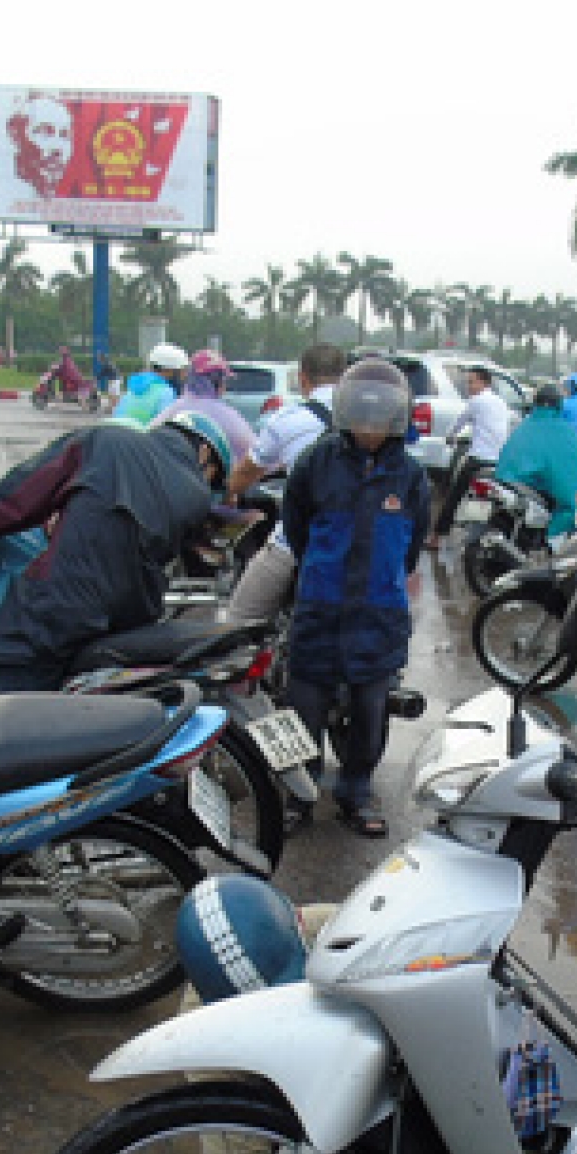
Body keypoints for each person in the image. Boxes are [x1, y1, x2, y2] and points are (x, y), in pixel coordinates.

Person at [0, 413, 227, 693]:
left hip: (58, 614)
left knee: (4, 725)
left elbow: (14, 499)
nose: (206, 484)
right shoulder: (197, 496)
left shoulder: (103, 441)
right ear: (203, 455)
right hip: (130, 624)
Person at [279, 358, 431, 838]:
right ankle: (296, 796)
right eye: (360, 417)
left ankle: (356, 792)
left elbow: (411, 547)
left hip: (378, 616)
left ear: (396, 419)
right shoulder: (315, 463)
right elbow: (296, 529)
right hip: (319, 611)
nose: (369, 429)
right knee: (302, 711)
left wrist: (383, 580)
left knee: (370, 715)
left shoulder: (410, 477)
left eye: (379, 418)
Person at [224, 342, 346, 627]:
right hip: (362, 547)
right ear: (345, 377)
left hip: (295, 546)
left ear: (302, 378)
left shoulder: (288, 419)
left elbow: (243, 475)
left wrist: (230, 491)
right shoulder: (369, 420)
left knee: (239, 621)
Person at [490, 382, 577, 540]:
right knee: (576, 503)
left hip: (509, 480)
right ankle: (552, 542)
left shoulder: (525, 424)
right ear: (559, 404)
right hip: (534, 485)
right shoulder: (562, 428)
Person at [428, 364, 515, 546]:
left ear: (484, 383)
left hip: (478, 460)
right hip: (498, 461)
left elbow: (458, 424)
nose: (469, 387)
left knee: (454, 496)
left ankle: (436, 537)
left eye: (472, 382)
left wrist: (450, 438)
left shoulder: (477, 401)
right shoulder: (501, 403)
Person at [158, 349, 256, 469]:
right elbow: (257, 456)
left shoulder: (170, 411)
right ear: (216, 382)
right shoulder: (229, 417)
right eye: (224, 380)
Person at [114, 341, 188, 427]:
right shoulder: (166, 392)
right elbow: (168, 427)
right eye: (181, 371)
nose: (184, 376)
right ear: (169, 371)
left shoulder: (132, 390)